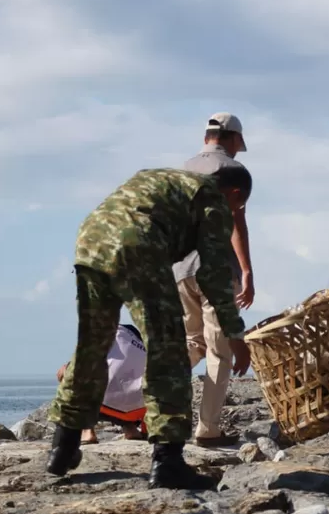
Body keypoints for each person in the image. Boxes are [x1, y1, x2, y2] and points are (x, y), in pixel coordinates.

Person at [46, 167, 252, 490]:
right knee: (167, 351)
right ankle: (168, 462)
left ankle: (63, 446)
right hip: (138, 245)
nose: (235, 215)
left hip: (90, 239)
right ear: (235, 195)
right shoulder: (213, 200)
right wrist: (235, 335)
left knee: (92, 346)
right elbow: (213, 273)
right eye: (238, 209)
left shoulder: (164, 178)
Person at [171, 112, 255, 447]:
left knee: (192, 343)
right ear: (232, 138)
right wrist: (246, 271)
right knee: (221, 351)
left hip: (179, 269)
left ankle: (144, 400)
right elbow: (237, 224)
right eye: (239, 143)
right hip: (214, 267)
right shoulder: (234, 172)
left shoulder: (182, 170)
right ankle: (208, 430)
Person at [55, 324, 149, 443]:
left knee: (69, 372)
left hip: (103, 404)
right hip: (136, 411)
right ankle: (131, 429)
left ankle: (87, 431)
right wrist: (146, 431)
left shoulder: (105, 331)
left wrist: (67, 367)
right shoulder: (141, 342)